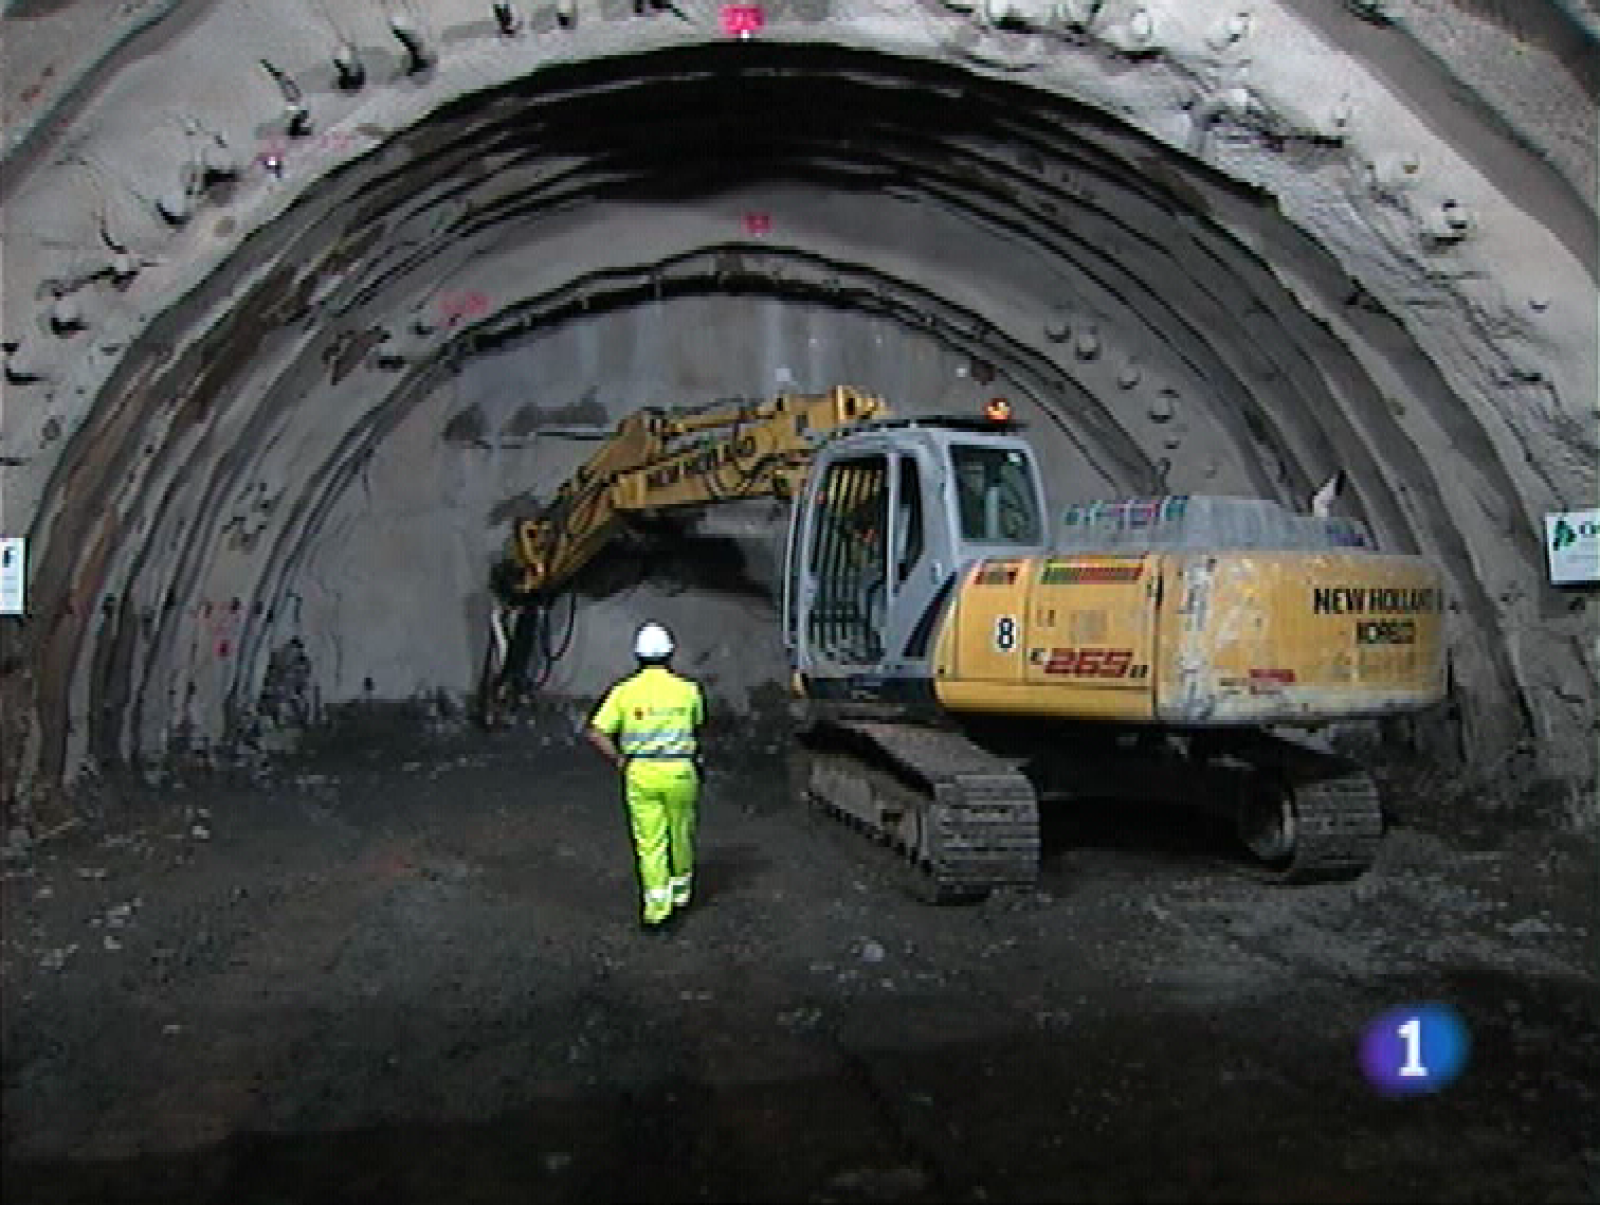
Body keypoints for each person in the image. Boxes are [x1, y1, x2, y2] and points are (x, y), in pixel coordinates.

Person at [586, 621, 706, 931]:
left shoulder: (624, 692)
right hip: (680, 771)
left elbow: (596, 732)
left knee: (649, 841)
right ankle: (681, 895)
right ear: (670, 654)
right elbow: (697, 723)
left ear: (637, 657)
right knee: (680, 833)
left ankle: (656, 909)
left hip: (640, 773)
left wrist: (619, 759)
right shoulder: (688, 690)